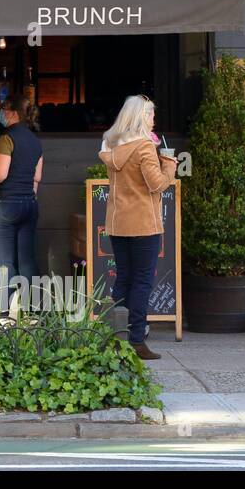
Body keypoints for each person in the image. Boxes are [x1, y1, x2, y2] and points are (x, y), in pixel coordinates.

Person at [97, 95, 177, 361]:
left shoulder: (110, 143)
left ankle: (114, 337)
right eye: (151, 115)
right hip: (144, 223)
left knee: (122, 279)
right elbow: (157, 185)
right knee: (142, 281)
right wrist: (169, 167)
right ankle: (136, 340)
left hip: (117, 223)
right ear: (142, 117)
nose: (154, 120)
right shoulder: (144, 147)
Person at [0, 94, 43, 314]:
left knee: (4, 261)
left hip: (7, 204)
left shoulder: (7, 138)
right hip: (30, 204)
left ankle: (4, 314)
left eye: (4, 109)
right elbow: (37, 179)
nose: (1, 113)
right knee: (27, 260)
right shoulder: (35, 141)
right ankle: (34, 312)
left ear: (13, 112)